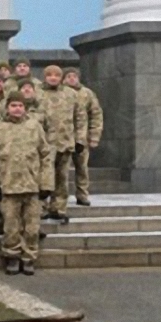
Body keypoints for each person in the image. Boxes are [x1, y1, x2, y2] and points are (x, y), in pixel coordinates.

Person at [0, 94, 53, 276]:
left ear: (25, 108)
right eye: (13, 105)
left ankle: (29, 257)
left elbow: (46, 155)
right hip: (8, 186)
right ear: (7, 107)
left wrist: (46, 183)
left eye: (20, 105)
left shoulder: (34, 127)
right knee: (10, 226)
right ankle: (12, 256)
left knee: (32, 227)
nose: (17, 108)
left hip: (32, 186)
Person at [38, 65, 83, 223]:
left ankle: (59, 208)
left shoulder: (71, 94)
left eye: (57, 75)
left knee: (62, 177)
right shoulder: (38, 93)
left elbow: (80, 117)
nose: (53, 78)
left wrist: (80, 139)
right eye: (49, 75)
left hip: (65, 142)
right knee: (44, 178)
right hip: (44, 145)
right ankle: (42, 208)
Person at [64, 68, 104, 207]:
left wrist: (94, 136)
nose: (71, 78)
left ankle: (82, 194)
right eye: (68, 76)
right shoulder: (60, 93)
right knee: (61, 170)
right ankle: (60, 198)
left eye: (74, 76)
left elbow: (96, 115)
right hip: (62, 139)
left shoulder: (87, 94)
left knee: (82, 168)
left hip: (82, 138)